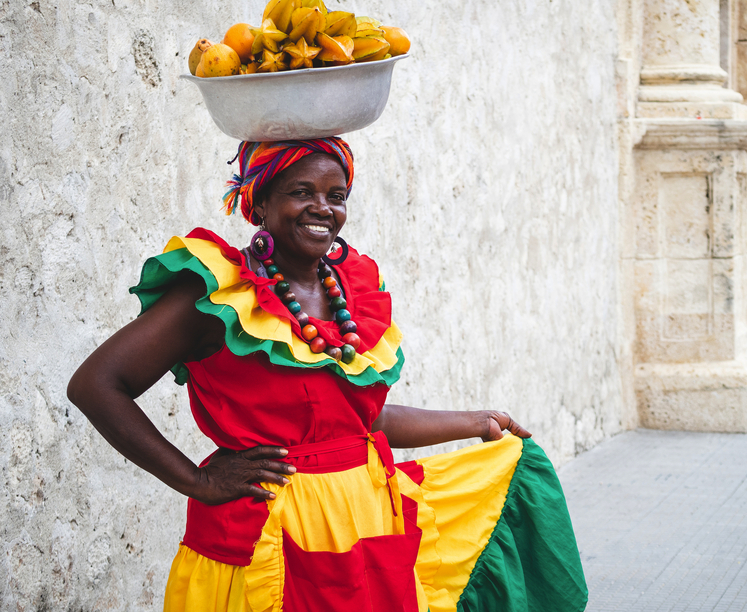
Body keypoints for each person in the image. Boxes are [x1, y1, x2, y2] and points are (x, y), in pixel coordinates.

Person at [68, 137, 588, 611]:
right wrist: (196, 480)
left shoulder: (352, 293)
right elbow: (96, 385)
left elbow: (359, 423)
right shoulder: (217, 295)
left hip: (362, 526)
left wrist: (476, 421)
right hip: (265, 535)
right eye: (301, 191)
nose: (323, 208)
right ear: (260, 202)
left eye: (336, 195)